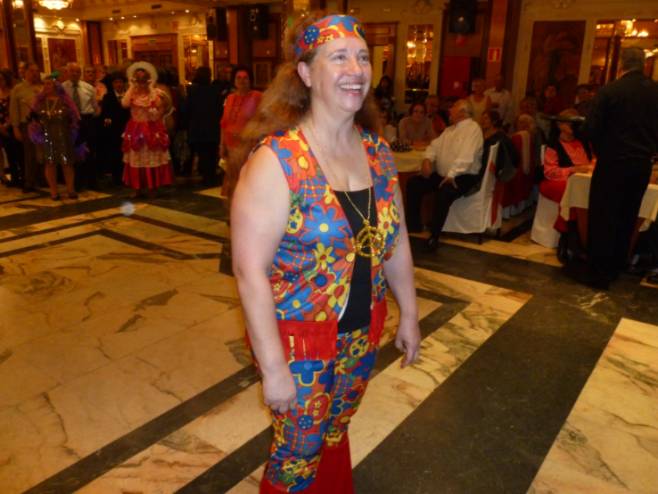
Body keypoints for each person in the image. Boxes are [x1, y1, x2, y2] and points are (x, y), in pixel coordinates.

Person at [231, 13, 420, 493]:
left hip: (362, 328)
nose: (355, 69)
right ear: (306, 73)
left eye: (362, 58)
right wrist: (274, 368)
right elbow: (249, 271)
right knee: (297, 451)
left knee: (335, 430)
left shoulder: (377, 152)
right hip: (298, 339)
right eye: (339, 58)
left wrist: (410, 314)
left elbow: (395, 239)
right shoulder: (277, 161)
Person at [584, 47, 658, 289]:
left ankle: (599, 272)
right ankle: (617, 265)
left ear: (621, 64)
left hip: (612, 163)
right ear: (644, 64)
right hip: (642, 164)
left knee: (604, 215)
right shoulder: (655, 91)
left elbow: (591, 128)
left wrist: (601, 151)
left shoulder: (611, 91)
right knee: (627, 215)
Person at [405, 99, 483, 251]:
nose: (449, 110)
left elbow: (467, 157)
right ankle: (413, 226)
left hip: (463, 176)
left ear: (462, 112)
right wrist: (427, 159)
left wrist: (452, 174)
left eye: (453, 107)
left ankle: (434, 237)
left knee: (445, 192)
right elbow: (433, 146)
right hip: (444, 174)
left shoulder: (473, 129)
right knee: (414, 183)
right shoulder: (449, 130)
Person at [121, 61, 174, 198]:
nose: (141, 83)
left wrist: (151, 89)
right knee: (136, 158)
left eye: (144, 79)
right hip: (135, 130)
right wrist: (131, 86)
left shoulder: (156, 93)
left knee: (151, 158)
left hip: (152, 130)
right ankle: (137, 188)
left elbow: (161, 107)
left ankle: (152, 187)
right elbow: (125, 104)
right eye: (138, 79)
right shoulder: (132, 93)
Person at [28, 73, 82, 200]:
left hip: (64, 135)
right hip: (47, 136)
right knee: (50, 163)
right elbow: (32, 120)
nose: (46, 86)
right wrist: (34, 121)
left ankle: (71, 189)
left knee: (67, 163)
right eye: (45, 84)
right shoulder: (39, 101)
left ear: (55, 85)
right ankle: (53, 192)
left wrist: (73, 126)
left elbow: (74, 117)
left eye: (49, 84)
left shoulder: (64, 100)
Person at [221, 65, 262, 197]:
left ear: (251, 80)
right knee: (232, 183)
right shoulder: (230, 98)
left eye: (245, 78)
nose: (242, 81)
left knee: (246, 183)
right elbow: (224, 124)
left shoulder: (257, 97)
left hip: (248, 146)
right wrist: (221, 145)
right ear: (234, 80)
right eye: (238, 78)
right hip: (230, 147)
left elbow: (263, 121)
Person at [63, 62, 100, 190]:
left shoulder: (88, 88)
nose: (75, 74)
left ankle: (92, 181)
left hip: (87, 120)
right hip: (70, 121)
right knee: (74, 152)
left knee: (90, 151)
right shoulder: (62, 88)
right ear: (67, 73)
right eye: (72, 71)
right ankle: (77, 181)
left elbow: (95, 106)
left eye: (77, 71)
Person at [186, 66, 222, 186]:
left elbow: (187, 109)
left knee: (203, 153)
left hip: (198, 127)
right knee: (212, 153)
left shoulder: (192, 91)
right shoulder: (215, 90)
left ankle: (205, 177)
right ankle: (211, 176)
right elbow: (219, 109)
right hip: (212, 127)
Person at [9, 62, 42, 192]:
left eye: (37, 71)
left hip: (42, 124)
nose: (35, 74)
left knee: (42, 153)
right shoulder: (18, 89)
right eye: (32, 71)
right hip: (27, 125)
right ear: (26, 72)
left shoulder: (42, 87)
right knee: (30, 154)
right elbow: (14, 110)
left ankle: (42, 179)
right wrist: (16, 128)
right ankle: (29, 181)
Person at [100, 71, 130, 186]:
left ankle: (127, 177)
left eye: (120, 82)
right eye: (116, 82)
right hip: (113, 130)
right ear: (112, 84)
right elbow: (105, 112)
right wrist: (107, 119)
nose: (118, 85)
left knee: (126, 153)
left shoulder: (128, 96)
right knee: (115, 153)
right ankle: (116, 177)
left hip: (127, 128)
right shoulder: (108, 97)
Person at [0, 68, 21, 187]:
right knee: (7, 153)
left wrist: (7, 125)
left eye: (2, 79)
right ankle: (9, 176)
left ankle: (18, 176)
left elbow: (14, 111)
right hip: (0, 127)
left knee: (15, 152)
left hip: (11, 125)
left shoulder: (12, 92)